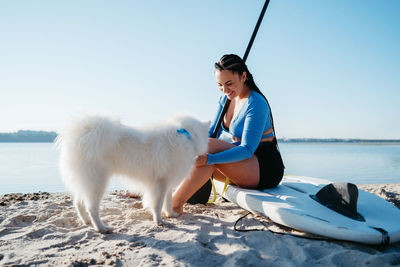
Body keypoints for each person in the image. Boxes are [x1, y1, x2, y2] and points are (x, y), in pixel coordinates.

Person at [172, 54, 284, 215]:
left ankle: (174, 204)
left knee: (208, 150)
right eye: (220, 85)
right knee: (200, 148)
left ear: (243, 76)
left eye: (229, 83)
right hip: (241, 163)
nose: (225, 90)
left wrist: (210, 158)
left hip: (264, 166)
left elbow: (247, 149)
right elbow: (211, 134)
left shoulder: (256, 103)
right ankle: (169, 191)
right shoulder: (226, 99)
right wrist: (189, 141)